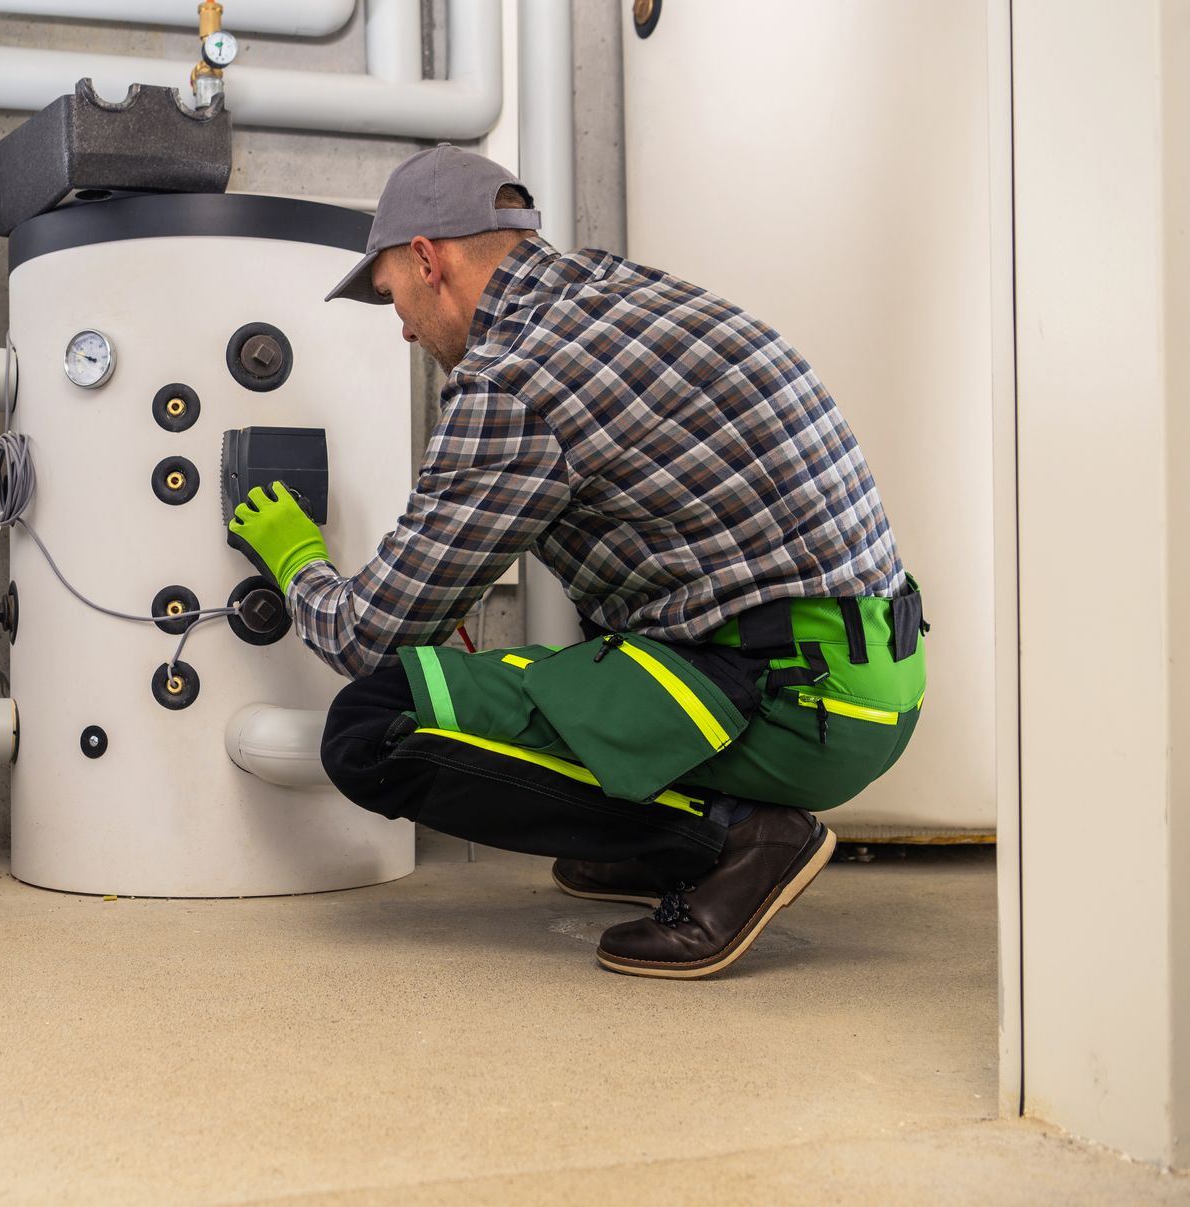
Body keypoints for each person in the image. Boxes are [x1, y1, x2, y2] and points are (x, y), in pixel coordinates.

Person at [225, 145, 927, 979]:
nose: (404, 328)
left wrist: (297, 555)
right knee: (545, 673)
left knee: (372, 729)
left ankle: (736, 836)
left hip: (793, 702)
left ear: (427, 258)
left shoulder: (512, 380)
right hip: (879, 673)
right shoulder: (618, 289)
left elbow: (363, 636)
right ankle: (669, 831)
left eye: (394, 298)